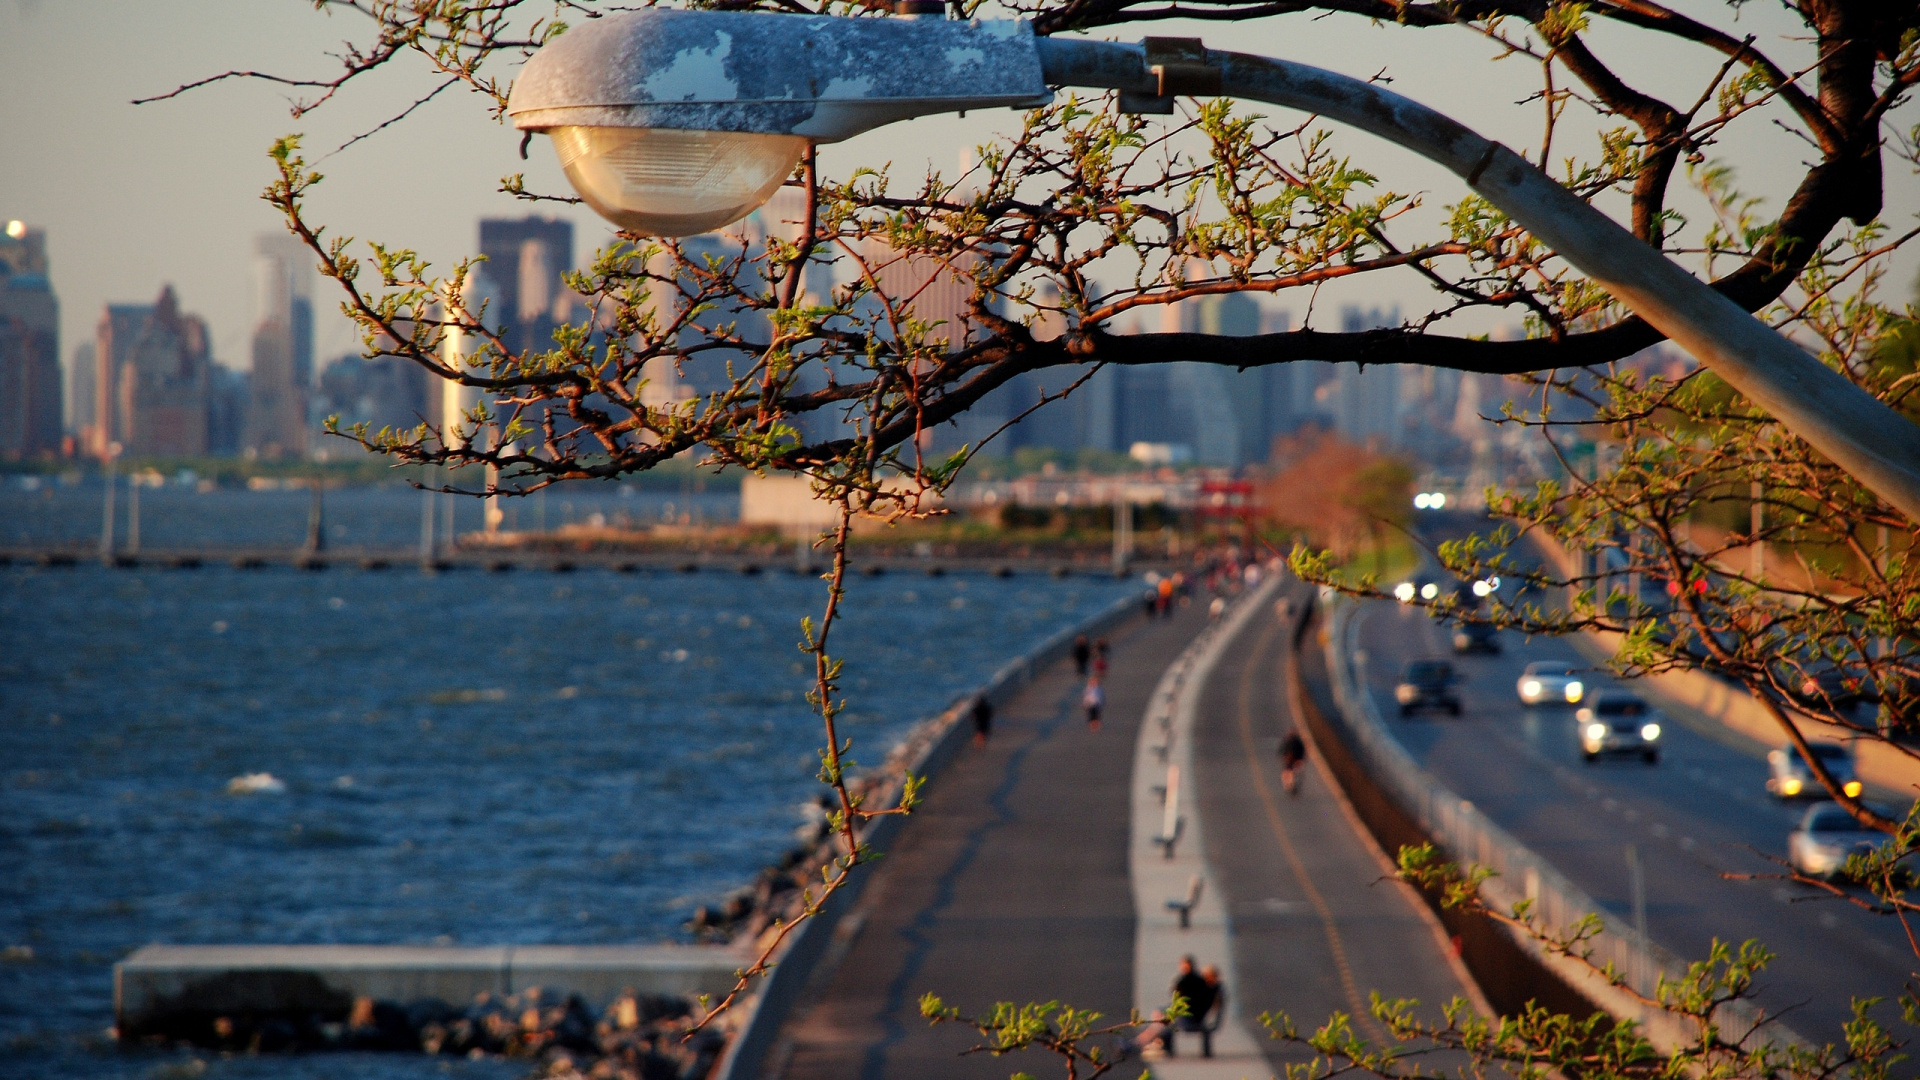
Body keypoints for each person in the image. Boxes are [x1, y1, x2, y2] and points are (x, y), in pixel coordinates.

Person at [1168, 955, 1218, 1057]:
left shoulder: (1183, 982)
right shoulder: (1201, 981)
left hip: (1187, 1019)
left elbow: (1176, 999)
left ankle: (1165, 1048)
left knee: (1163, 1019)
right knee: (1163, 1018)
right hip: (1199, 1018)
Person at [1279, 729, 1306, 796]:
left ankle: (1289, 785)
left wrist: (1283, 757)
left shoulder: (1287, 741)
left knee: (1288, 772)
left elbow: (1281, 750)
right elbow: (1303, 751)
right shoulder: (1298, 742)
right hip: (1296, 760)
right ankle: (1290, 785)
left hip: (1291, 760)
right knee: (1295, 773)